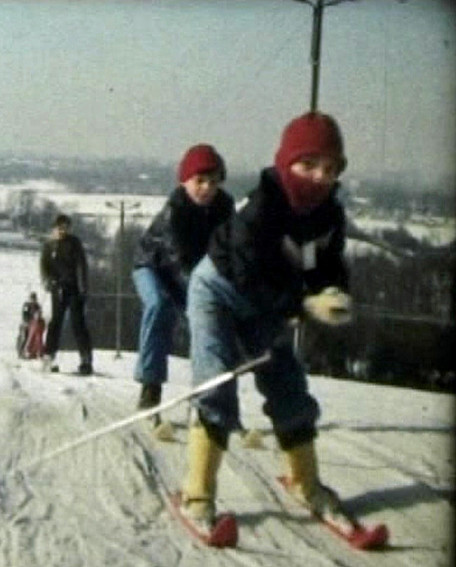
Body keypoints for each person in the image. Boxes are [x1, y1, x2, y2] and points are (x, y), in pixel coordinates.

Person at [180, 112, 355, 538]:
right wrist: (301, 301)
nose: (318, 177)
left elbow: (327, 265)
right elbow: (247, 272)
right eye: (308, 165)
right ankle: (197, 494)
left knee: (288, 383)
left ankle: (306, 482)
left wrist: (332, 290)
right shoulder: (261, 208)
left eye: (329, 169)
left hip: (267, 304)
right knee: (217, 384)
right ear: (285, 163)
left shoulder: (329, 216)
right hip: (219, 292)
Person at [132, 144, 234, 410]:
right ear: (184, 181)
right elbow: (179, 258)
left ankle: (206, 392)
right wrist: (203, 297)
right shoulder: (175, 211)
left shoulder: (225, 209)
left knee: (206, 324)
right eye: (199, 181)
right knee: (158, 306)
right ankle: (150, 385)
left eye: (213, 182)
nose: (206, 188)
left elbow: (233, 251)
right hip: (153, 267)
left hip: (194, 274)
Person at [40, 214, 93, 375]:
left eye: (66, 228)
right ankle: (49, 356)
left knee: (78, 323)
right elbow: (44, 267)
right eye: (60, 228)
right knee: (56, 322)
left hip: (74, 288)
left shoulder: (74, 243)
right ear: (54, 228)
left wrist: (83, 287)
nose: (63, 231)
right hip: (58, 288)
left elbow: (81, 265)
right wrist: (48, 282)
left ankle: (86, 359)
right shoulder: (49, 246)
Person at [17, 292, 45, 359]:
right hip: (27, 323)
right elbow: (24, 315)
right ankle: (21, 351)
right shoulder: (26, 305)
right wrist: (28, 321)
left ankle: (36, 351)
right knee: (25, 336)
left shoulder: (37, 306)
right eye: (32, 298)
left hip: (34, 324)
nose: (33, 300)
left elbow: (40, 315)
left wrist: (39, 316)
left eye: (34, 298)